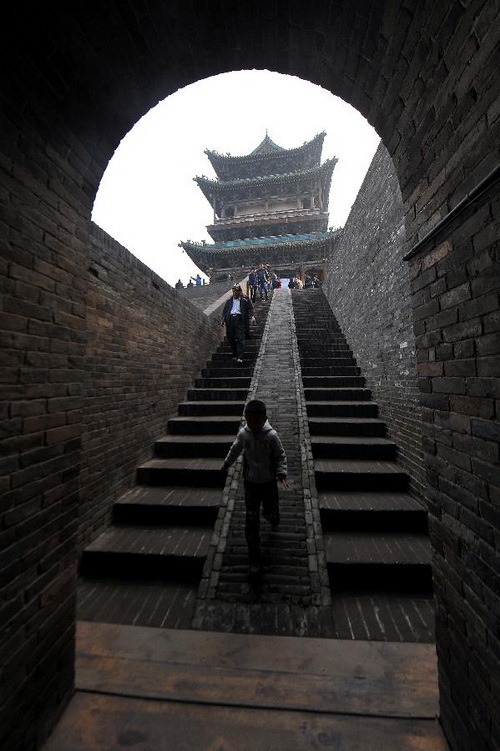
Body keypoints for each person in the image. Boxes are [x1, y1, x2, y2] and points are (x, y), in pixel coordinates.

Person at [221, 399, 289, 575]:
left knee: (269, 510)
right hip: (250, 482)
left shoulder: (271, 436)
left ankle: (273, 515)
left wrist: (281, 473)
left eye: (256, 420)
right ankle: (254, 557)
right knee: (251, 519)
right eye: (249, 420)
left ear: (264, 418)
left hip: (268, 482)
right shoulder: (244, 434)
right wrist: (227, 463)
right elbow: (235, 449)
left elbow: (280, 455)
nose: (253, 424)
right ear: (246, 418)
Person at [220, 284, 254, 362]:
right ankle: (235, 354)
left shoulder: (244, 300)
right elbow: (225, 311)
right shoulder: (229, 301)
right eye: (233, 291)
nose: (234, 293)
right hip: (230, 320)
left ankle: (239, 356)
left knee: (240, 338)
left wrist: (252, 316)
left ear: (239, 292)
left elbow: (251, 307)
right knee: (230, 337)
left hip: (240, 319)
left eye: (236, 291)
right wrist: (222, 320)